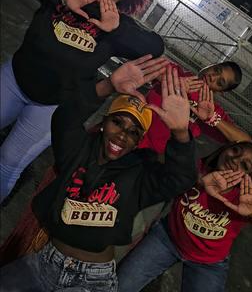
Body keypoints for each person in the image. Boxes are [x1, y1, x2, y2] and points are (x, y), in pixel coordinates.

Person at [0, 63, 197, 292]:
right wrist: (107, 85)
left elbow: (181, 178)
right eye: (118, 122)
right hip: (44, 262)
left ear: (138, 142)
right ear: (103, 122)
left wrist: (181, 132)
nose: (123, 135)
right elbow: (65, 117)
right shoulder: (78, 150)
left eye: (133, 132)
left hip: (91, 281)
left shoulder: (140, 173)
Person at [0, 0, 164, 202]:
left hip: (52, 106)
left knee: (8, 161)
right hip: (14, 80)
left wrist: (116, 27)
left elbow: (156, 46)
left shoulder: (117, 26)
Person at [117, 141, 252, 292]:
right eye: (235, 150)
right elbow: (160, 161)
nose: (235, 159)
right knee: (120, 286)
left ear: (248, 177)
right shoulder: (198, 169)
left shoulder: (244, 200)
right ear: (225, 149)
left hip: (208, 264)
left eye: (245, 165)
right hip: (167, 238)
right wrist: (196, 179)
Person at [139, 61, 252, 155]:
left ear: (221, 92)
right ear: (212, 65)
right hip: (130, 125)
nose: (212, 77)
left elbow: (247, 144)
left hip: (148, 153)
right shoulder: (177, 73)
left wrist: (212, 118)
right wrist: (172, 83)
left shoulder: (211, 109)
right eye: (216, 70)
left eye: (220, 82)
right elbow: (143, 66)